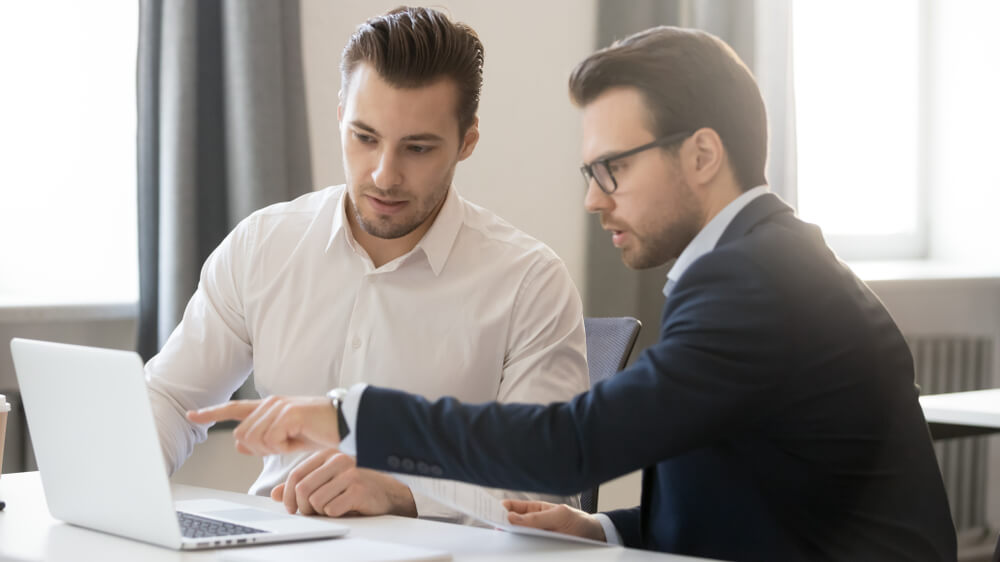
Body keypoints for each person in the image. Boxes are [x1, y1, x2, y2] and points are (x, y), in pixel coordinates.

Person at [189, 26, 958, 561]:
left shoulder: (758, 284)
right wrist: (606, 532)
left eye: (611, 169)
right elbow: (753, 500)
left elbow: (570, 443)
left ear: (701, 155)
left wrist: (350, 413)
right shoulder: (752, 265)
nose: (594, 201)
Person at [147, 6, 588, 524]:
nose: (384, 175)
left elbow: (547, 498)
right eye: (365, 137)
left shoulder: (529, 284)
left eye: (417, 148)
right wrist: (120, 486)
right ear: (340, 117)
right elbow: (173, 399)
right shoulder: (263, 245)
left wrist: (404, 494)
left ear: (466, 142)